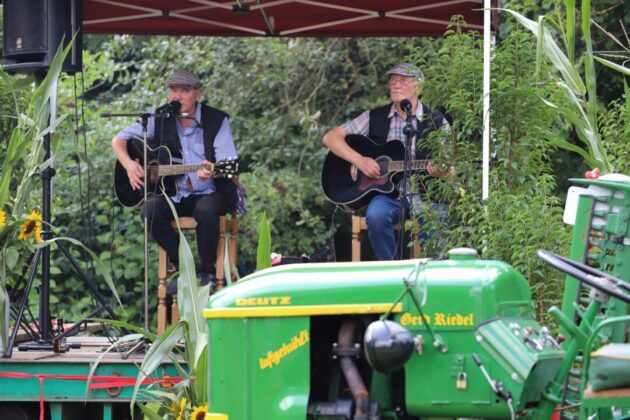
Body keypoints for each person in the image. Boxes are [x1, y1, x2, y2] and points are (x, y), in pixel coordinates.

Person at [112, 69, 238, 293]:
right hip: (173, 194)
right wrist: (130, 164)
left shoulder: (216, 120)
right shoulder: (158, 118)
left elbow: (229, 162)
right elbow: (118, 141)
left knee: (207, 209)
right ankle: (186, 267)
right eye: (173, 90)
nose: (176, 96)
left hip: (210, 192)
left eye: (183, 91)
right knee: (150, 211)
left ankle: (206, 273)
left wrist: (213, 171)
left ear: (197, 94)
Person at [322, 63, 451, 261]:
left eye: (404, 80)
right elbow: (330, 138)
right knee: (375, 216)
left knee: (436, 221)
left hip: (425, 194)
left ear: (419, 86)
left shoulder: (437, 121)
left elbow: (452, 171)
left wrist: (441, 171)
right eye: (393, 79)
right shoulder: (375, 116)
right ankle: (391, 272)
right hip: (388, 196)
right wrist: (360, 160)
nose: (396, 84)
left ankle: (432, 277)